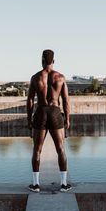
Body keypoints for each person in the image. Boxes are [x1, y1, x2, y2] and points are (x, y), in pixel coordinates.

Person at [27, 49, 71, 192]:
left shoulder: (35, 77)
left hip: (41, 112)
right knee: (61, 149)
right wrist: (67, 119)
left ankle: (35, 185)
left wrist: (29, 119)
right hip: (55, 112)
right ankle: (64, 185)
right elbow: (65, 100)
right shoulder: (60, 77)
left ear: (42, 61)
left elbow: (29, 101)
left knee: (37, 150)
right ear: (53, 61)